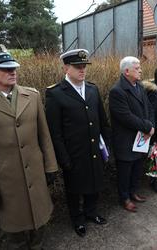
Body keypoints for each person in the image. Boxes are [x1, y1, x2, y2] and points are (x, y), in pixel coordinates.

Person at [0, 45, 58, 250]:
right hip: (7, 181)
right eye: (5, 69)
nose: (12, 72)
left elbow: (44, 136)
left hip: (36, 175)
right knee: (15, 234)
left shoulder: (32, 96)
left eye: (14, 68)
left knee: (40, 226)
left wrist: (50, 167)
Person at [45, 49, 110, 237]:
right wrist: (64, 159)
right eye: (77, 66)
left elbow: (102, 121)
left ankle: (91, 212)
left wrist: (108, 146)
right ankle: (77, 219)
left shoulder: (92, 89)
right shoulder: (56, 94)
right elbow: (54, 132)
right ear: (66, 67)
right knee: (74, 191)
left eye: (84, 66)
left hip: (95, 150)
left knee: (95, 184)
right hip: (74, 154)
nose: (82, 70)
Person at [109, 56, 155, 212]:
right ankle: (124, 198)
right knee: (125, 171)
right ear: (126, 71)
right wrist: (147, 127)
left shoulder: (139, 86)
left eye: (140, 67)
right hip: (126, 139)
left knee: (137, 168)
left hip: (141, 137)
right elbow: (125, 117)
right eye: (137, 68)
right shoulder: (117, 91)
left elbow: (148, 108)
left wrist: (151, 126)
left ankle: (133, 192)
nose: (140, 70)